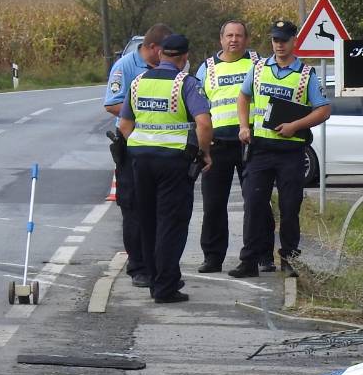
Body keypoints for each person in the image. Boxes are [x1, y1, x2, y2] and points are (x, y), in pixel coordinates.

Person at [118, 33, 213, 304]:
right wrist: (205, 153)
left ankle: (152, 279)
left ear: (161, 54)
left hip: (140, 161)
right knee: (171, 224)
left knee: (148, 222)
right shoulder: (186, 83)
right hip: (173, 163)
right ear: (184, 58)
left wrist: (143, 144)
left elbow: (125, 126)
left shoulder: (137, 83)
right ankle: (166, 287)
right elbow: (203, 124)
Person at [232, 19, 331, 278]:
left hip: (291, 151)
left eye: (284, 40)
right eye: (275, 40)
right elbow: (243, 97)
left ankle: (289, 259)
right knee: (253, 204)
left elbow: (323, 110)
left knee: (289, 207)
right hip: (260, 149)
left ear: (293, 41)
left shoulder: (306, 74)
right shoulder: (258, 68)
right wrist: (244, 126)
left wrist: (295, 125)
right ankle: (249, 260)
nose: (279, 45)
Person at [105, 24, 172, 289]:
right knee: (133, 209)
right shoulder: (126, 67)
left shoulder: (169, 68)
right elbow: (111, 104)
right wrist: (145, 107)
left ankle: (156, 262)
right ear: (154, 48)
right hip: (132, 149)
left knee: (158, 209)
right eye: (164, 51)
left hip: (160, 150)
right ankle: (138, 267)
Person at [193, 20, 258, 274]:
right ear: (221, 39)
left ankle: (259, 255)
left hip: (249, 142)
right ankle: (212, 257)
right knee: (213, 204)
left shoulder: (257, 63)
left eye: (239, 35)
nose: (234, 40)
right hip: (216, 144)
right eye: (229, 35)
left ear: (247, 39)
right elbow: (198, 105)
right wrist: (202, 144)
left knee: (255, 201)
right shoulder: (206, 68)